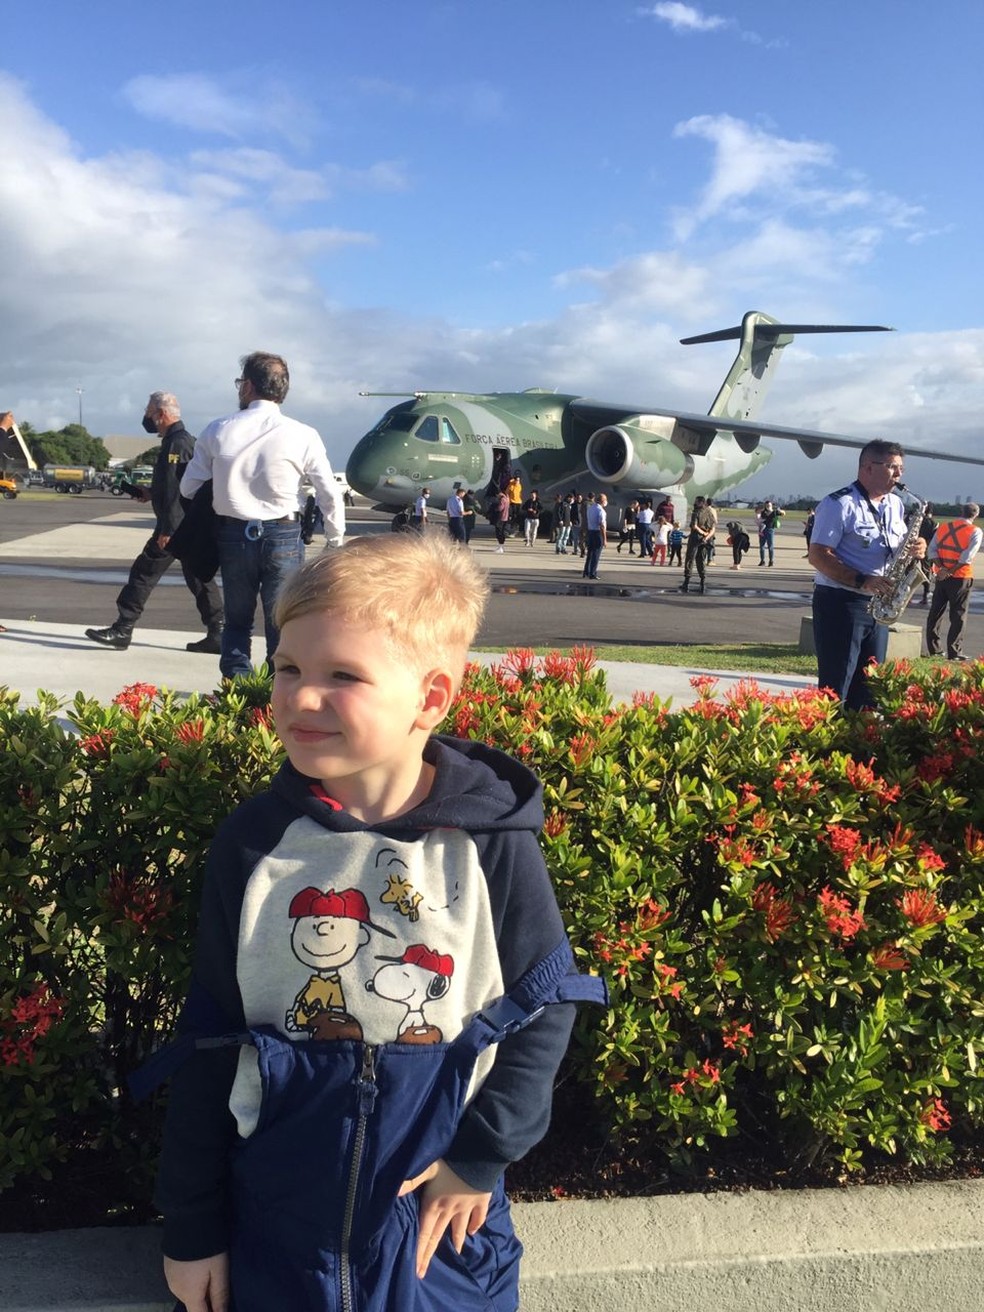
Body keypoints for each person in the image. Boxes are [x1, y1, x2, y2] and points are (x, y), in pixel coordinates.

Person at [153, 534, 603, 1312]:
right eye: (287, 668)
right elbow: (209, 1035)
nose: (301, 698)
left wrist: (480, 1158)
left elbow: (546, 1000)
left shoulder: (489, 842)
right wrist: (192, 1229)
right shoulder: (255, 843)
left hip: (441, 1231)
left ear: (430, 699)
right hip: (275, 1227)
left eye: (342, 676)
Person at [180, 352, 344, 679]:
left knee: (237, 621)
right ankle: (276, 690)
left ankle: (235, 686)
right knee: (282, 621)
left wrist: (225, 482)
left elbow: (188, 487)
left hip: (233, 535)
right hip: (283, 534)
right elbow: (329, 491)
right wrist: (334, 540)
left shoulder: (218, 429)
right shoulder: (304, 434)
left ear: (248, 386)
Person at [84, 392, 224, 653]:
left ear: (161, 414)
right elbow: (177, 484)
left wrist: (168, 529)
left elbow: (175, 489)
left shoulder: (177, 444)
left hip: (176, 527)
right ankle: (219, 632)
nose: (146, 417)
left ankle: (123, 628)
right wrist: (149, 493)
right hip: (185, 526)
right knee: (199, 579)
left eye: (148, 412)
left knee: (143, 573)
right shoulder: (176, 441)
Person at [807, 439, 926, 710]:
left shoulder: (895, 504)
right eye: (892, 467)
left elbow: (895, 548)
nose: (899, 475)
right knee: (836, 687)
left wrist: (917, 549)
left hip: (879, 605)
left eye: (901, 469)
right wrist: (862, 580)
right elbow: (818, 556)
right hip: (842, 603)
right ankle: (830, 736)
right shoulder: (839, 504)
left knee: (871, 686)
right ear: (868, 467)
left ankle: (862, 734)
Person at [925, 503, 982, 661]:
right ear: (976, 515)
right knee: (958, 615)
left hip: (941, 577)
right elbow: (967, 557)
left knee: (935, 613)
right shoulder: (975, 531)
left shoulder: (944, 527)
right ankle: (954, 651)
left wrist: (942, 569)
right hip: (961, 577)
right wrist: (950, 571)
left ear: (961, 511)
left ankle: (934, 650)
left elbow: (932, 550)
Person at [680, 496, 715, 594]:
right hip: (705, 540)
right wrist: (706, 536)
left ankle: (686, 582)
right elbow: (713, 528)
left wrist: (702, 533)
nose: (695, 503)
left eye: (696, 502)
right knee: (701, 560)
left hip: (695, 538)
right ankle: (702, 582)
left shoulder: (696, 512)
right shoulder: (709, 513)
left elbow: (694, 526)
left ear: (701, 503)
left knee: (690, 559)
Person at [583, 492, 608, 579]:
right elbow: (602, 525)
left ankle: (586, 571)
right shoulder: (601, 511)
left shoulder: (590, 508)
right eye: (605, 500)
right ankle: (592, 573)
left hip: (590, 532)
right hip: (597, 533)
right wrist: (605, 539)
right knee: (596, 554)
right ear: (602, 501)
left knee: (590, 553)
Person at [916, 504, 937, 604]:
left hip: (912, 549)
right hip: (926, 551)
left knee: (907, 572)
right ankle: (926, 594)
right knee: (926, 572)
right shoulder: (933, 523)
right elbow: (934, 540)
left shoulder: (916, 521)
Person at [757, 500, 784, 566]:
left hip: (769, 529)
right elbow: (761, 517)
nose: (768, 506)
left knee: (770, 546)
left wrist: (780, 511)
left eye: (769, 505)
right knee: (762, 546)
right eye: (767, 505)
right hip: (763, 530)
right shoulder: (764, 512)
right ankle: (763, 561)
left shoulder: (774, 512)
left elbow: (783, 514)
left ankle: (770, 561)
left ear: (771, 505)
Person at [490, 486, 510, 552]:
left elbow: (500, 508)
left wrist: (495, 508)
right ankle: (502, 547)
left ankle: (500, 547)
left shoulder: (502, 499)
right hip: (506, 517)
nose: (497, 496)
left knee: (499, 533)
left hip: (501, 518)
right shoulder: (507, 498)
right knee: (502, 532)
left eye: (497, 495)